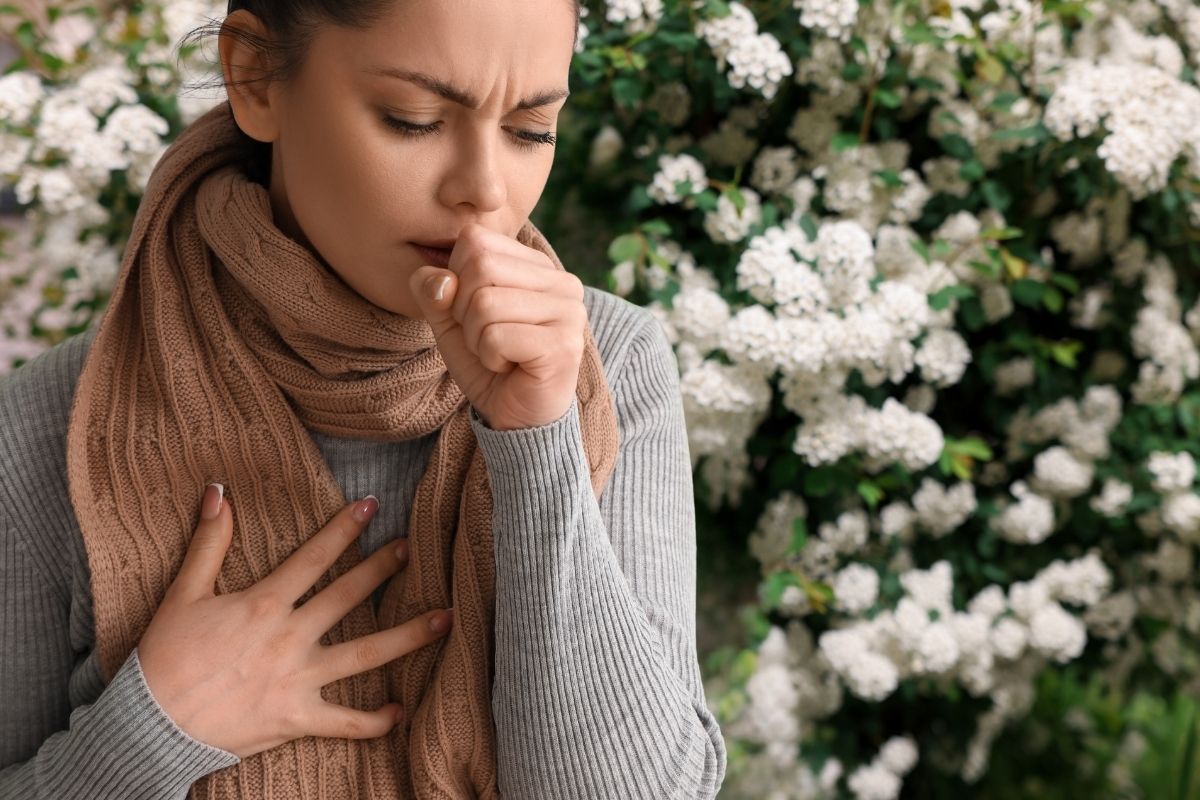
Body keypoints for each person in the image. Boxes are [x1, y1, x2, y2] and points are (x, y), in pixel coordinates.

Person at [0, 1, 727, 798]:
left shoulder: (608, 363)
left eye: (529, 130)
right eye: (413, 119)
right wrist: (155, 726)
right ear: (255, 77)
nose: (484, 191)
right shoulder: (47, 423)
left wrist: (538, 436)